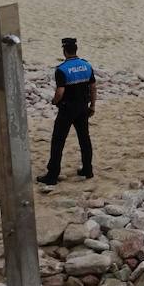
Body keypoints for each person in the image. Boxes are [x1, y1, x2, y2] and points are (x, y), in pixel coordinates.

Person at [38, 37, 97, 185]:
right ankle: (87, 169)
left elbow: (60, 91)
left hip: (67, 109)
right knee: (84, 139)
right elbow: (93, 88)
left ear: (64, 51)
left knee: (58, 141)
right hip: (83, 107)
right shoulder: (86, 66)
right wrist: (93, 105)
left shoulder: (62, 69)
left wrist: (54, 101)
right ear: (76, 50)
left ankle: (52, 175)